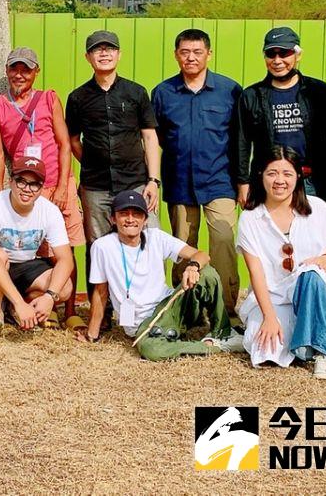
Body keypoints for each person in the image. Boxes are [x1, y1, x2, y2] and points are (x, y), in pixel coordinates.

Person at [0, 47, 84, 323]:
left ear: (35, 72)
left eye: (26, 69)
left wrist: (63, 186)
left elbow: (64, 144)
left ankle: (70, 311)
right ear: (7, 71)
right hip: (24, 186)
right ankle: (37, 308)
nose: (19, 74)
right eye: (14, 68)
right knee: (38, 251)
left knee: (65, 249)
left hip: (55, 181)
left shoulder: (48, 99)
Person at [80, 191, 243, 361]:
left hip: (171, 306)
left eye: (136, 214)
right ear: (113, 219)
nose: (130, 219)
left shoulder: (155, 237)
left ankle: (223, 332)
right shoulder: (102, 247)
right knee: (152, 350)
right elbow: (100, 292)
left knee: (207, 273)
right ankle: (212, 346)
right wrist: (92, 334)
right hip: (142, 325)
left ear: (145, 220)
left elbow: (202, 255)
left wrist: (193, 267)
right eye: (123, 214)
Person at [150, 28, 242, 318]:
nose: (191, 57)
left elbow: (240, 139)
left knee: (224, 243)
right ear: (176, 54)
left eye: (197, 52)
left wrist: (243, 181)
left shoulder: (229, 90)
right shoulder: (163, 92)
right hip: (179, 182)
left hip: (220, 181)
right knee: (181, 246)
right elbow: (157, 138)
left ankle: (226, 311)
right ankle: (183, 309)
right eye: (185, 52)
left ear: (209, 54)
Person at [237, 148, 326, 379]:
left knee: (310, 273)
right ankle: (300, 343)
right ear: (261, 175)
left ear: (298, 176)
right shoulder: (250, 218)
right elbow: (256, 272)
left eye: (287, 174)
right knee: (265, 350)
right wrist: (269, 317)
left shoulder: (317, 207)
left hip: (315, 295)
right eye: (272, 173)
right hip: (275, 297)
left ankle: (322, 352)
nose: (280, 180)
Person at [65, 30, 160, 299]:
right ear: (88, 57)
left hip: (136, 182)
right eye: (97, 49)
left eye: (109, 49)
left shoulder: (136, 92)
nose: (104, 53)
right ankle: (101, 310)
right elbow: (73, 140)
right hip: (96, 186)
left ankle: (148, 303)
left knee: (149, 241)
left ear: (118, 54)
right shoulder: (78, 98)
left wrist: (153, 180)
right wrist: (94, 161)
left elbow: (149, 136)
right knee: (98, 245)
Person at [234, 26, 326, 209]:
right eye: (271, 54)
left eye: (284, 53)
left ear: (297, 55)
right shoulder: (252, 95)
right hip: (269, 182)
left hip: (311, 182)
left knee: (314, 237)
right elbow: (241, 142)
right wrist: (243, 183)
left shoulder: (318, 91)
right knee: (272, 236)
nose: (277, 60)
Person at [0, 156, 77, 337]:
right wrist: (19, 303)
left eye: (34, 184)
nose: (27, 189)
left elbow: (66, 260)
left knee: (65, 287)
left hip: (26, 266)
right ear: (10, 181)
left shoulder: (49, 211)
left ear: (41, 187)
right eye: (21, 182)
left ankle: (18, 308)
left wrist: (49, 297)